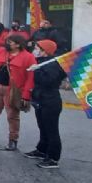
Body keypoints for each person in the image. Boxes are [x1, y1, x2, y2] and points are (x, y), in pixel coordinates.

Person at [0, 34, 36, 150]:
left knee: (12, 115)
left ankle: (13, 139)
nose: (7, 43)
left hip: (13, 90)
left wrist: (26, 95)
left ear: (18, 44)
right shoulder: (0, 51)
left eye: (10, 42)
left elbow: (30, 78)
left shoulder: (28, 57)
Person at [25, 40, 66, 169]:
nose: (34, 50)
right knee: (42, 127)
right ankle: (42, 150)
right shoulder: (42, 62)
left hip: (50, 100)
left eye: (37, 48)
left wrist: (36, 70)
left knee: (51, 129)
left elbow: (48, 81)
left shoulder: (53, 64)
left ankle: (53, 158)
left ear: (45, 50)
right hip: (40, 99)